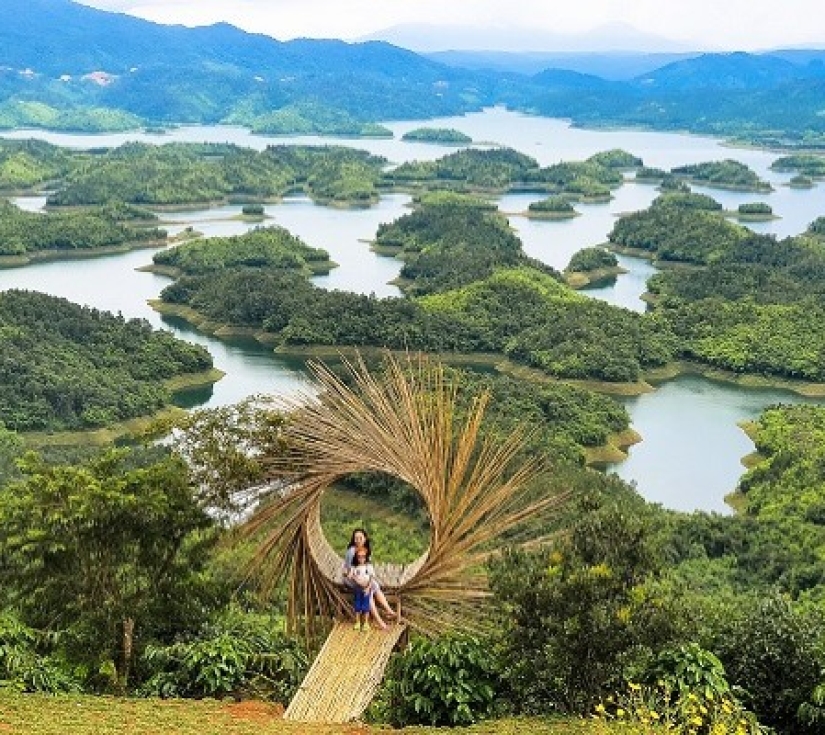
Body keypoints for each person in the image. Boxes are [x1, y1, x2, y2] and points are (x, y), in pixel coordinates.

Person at [342, 528, 395, 627]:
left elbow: (368, 571)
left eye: (360, 538)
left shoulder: (366, 551)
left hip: (363, 578)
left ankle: (389, 610)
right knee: (368, 592)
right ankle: (380, 622)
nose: (358, 540)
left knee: (374, 585)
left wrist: (368, 583)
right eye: (356, 538)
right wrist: (364, 585)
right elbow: (349, 572)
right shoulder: (351, 552)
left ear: (365, 539)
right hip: (351, 579)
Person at [348, 546, 374, 632]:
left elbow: (371, 578)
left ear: (366, 557)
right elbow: (350, 576)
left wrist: (368, 588)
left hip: (367, 588)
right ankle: (358, 622)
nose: (361, 558)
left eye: (363, 556)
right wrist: (352, 576)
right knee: (357, 605)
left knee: (366, 606)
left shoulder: (368, 566)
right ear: (356, 557)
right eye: (359, 556)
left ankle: (366, 623)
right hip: (358, 588)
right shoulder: (354, 567)